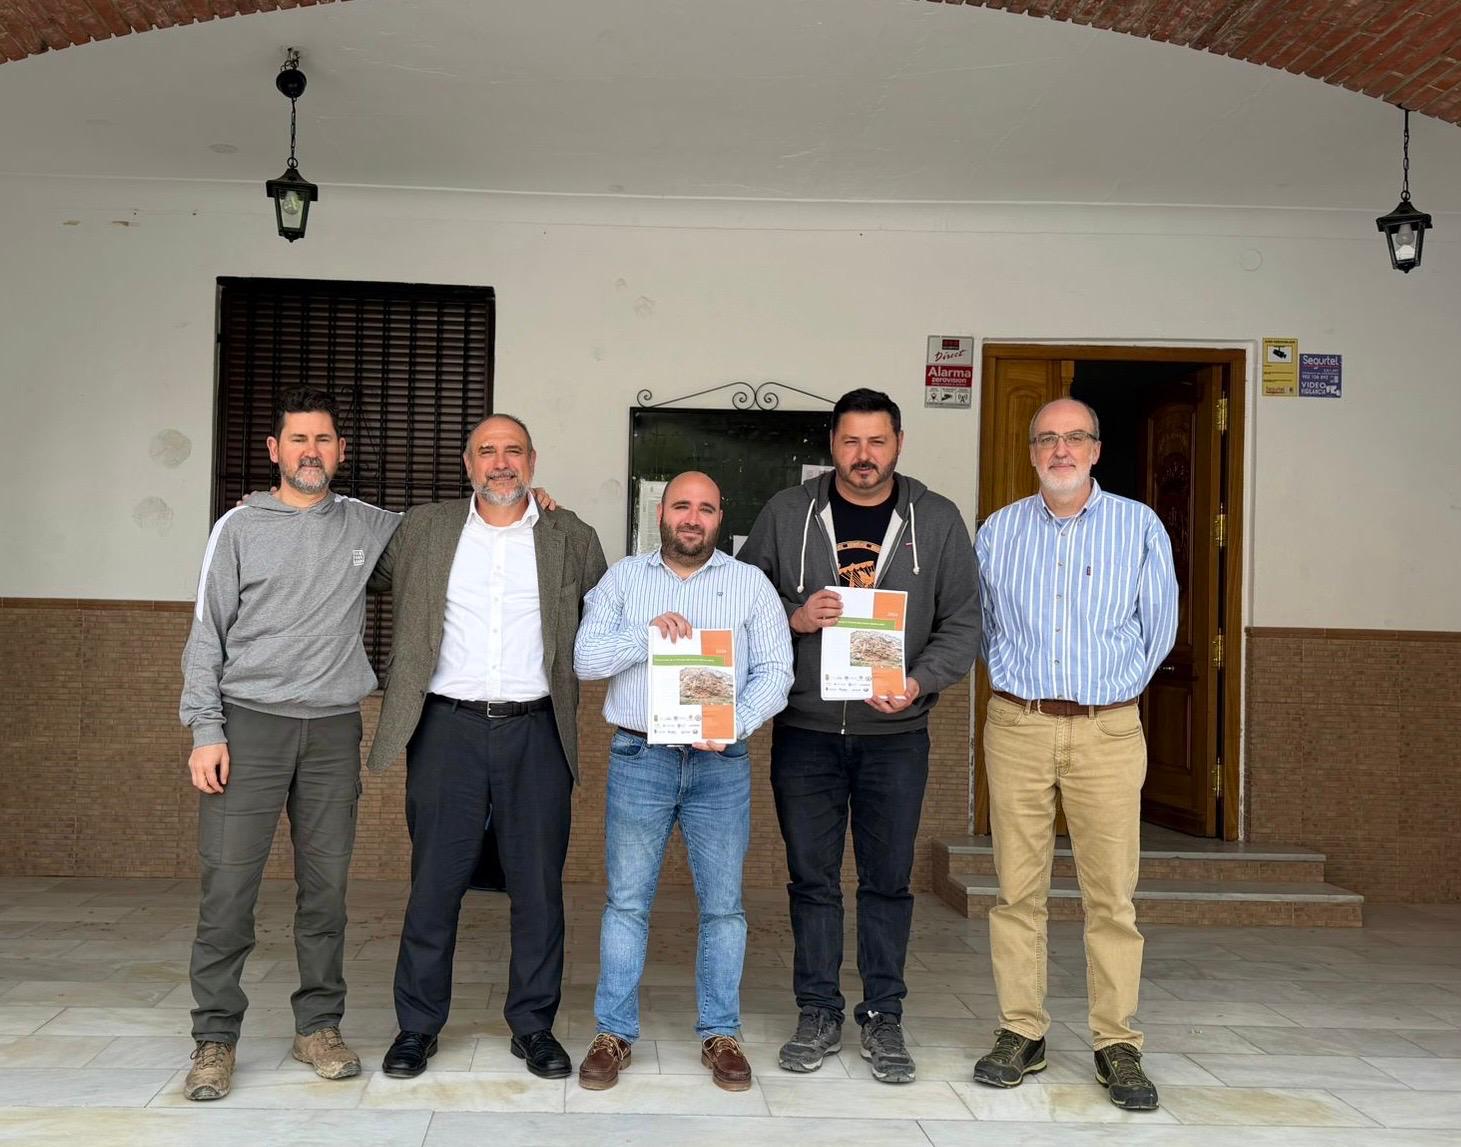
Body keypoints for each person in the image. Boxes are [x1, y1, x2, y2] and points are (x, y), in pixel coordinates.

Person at [738, 388, 981, 1084]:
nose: (863, 455)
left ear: (898, 443)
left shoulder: (934, 520)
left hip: (895, 732)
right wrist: (792, 612)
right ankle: (817, 1009)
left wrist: (919, 679)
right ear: (831, 445)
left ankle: (883, 1015)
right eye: (851, 441)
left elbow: (962, 620)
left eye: (877, 441)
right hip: (807, 730)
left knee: (886, 881)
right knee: (812, 880)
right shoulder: (789, 512)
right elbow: (740, 594)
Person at [367, 414, 607, 1080]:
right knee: (434, 885)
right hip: (446, 728)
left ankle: (532, 1026)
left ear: (532, 460)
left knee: (538, 888)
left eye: (513, 451)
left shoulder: (572, 537)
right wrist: (280, 509)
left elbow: (610, 613)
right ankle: (416, 1025)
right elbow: (353, 561)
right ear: (466, 463)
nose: (501, 463)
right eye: (487, 452)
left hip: (538, 730)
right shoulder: (423, 529)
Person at [178, 387, 400, 1100]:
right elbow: (205, 634)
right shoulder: (238, 527)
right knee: (228, 890)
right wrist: (205, 729)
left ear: (342, 450)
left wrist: (532, 503)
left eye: (324, 439)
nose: (312, 451)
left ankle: (318, 1026)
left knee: (326, 892)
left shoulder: (370, 525)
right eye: (298, 439)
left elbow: (457, 535)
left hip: (334, 729)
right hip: (249, 725)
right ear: (274, 450)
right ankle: (215, 1038)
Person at [972, 396, 1177, 1111]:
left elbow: (1158, 630)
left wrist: (1106, 696)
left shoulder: (1137, 526)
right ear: (1031, 453)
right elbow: (985, 626)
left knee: (1111, 896)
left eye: (1074, 438)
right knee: (1015, 891)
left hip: (1107, 730)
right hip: (1019, 725)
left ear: (1095, 449)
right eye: (1046, 439)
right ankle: (1020, 1030)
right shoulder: (997, 532)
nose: (1060, 450)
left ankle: (1115, 1040)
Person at [572, 472, 793, 1092]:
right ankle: (613, 1033)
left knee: (724, 908)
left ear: (721, 517)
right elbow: (584, 660)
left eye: (705, 508)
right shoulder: (624, 579)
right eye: (680, 506)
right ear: (660, 512)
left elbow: (777, 673)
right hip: (640, 757)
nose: (691, 518)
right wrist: (646, 636)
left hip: (721, 764)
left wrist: (733, 724)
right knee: (626, 903)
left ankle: (720, 1033)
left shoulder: (751, 586)